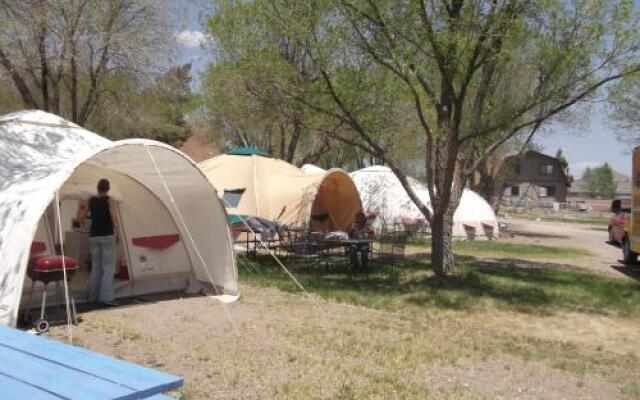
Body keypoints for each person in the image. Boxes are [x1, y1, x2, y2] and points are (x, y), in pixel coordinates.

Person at [76, 178, 120, 306]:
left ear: (97, 187)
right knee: (108, 267)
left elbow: (80, 219)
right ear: (108, 188)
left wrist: (80, 208)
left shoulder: (90, 200)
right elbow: (114, 218)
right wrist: (119, 233)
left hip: (94, 235)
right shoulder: (109, 200)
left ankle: (92, 296)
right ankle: (106, 297)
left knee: (96, 266)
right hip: (107, 235)